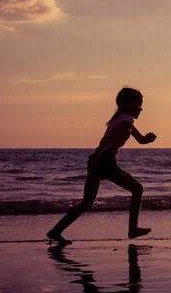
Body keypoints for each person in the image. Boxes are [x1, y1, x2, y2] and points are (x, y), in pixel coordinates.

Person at [47, 87, 156, 244]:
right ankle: (133, 229)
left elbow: (140, 140)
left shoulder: (123, 120)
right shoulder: (125, 122)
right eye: (139, 105)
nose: (141, 109)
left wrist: (149, 138)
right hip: (105, 161)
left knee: (86, 203)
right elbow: (106, 142)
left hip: (96, 162)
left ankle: (55, 231)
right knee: (137, 189)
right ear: (128, 104)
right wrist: (98, 154)